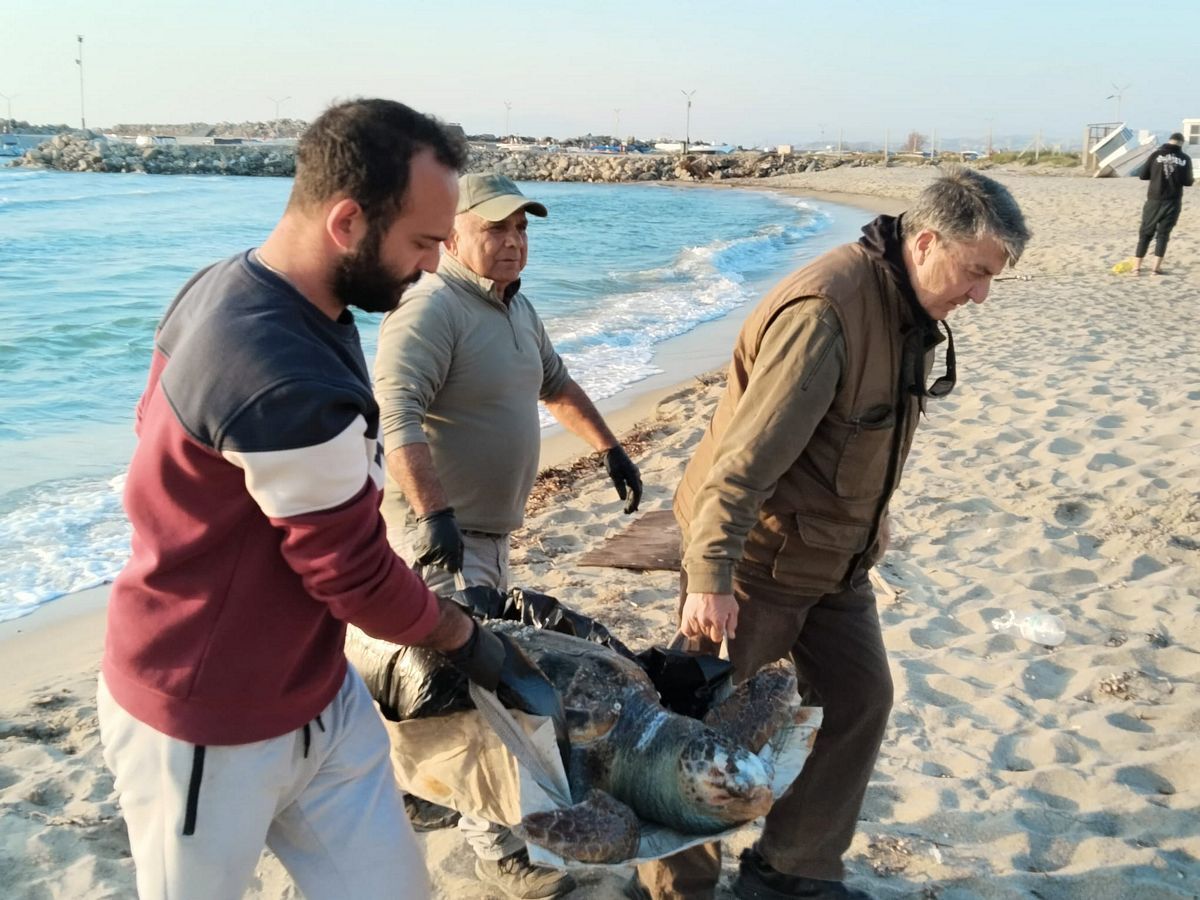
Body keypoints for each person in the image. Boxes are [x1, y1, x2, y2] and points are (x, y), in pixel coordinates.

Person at [98, 99, 562, 900]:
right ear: (347, 221)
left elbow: (151, 430)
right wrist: (469, 641)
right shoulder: (280, 372)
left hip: (319, 690)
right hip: (203, 717)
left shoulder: (234, 285)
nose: (428, 267)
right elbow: (351, 574)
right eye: (421, 243)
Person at [631, 169, 1029, 900]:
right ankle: (676, 889)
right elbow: (736, 465)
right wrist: (712, 576)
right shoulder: (827, 313)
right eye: (976, 273)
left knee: (857, 700)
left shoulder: (908, 304)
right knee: (698, 729)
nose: (981, 295)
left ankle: (791, 871)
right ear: (929, 241)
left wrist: (871, 531)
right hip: (755, 561)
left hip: (837, 563)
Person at [370, 171, 643, 899]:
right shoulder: (429, 309)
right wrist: (434, 518)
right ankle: (497, 852)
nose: (513, 241)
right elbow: (394, 417)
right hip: (435, 537)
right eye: (496, 228)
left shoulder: (516, 311)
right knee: (472, 694)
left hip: (488, 536)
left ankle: (427, 798)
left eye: (521, 228)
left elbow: (555, 384)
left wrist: (609, 447)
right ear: (453, 232)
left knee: (467, 684)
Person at [1134, 131, 1193, 275]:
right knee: (1163, 234)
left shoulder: (1155, 155)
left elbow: (1143, 175)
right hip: (1173, 200)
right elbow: (1188, 182)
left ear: (1169, 140)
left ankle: (1136, 268)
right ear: (1181, 143)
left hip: (1154, 198)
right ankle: (1155, 268)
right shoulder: (1185, 158)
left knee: (1145, 232)